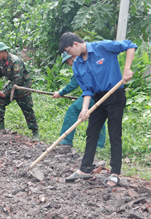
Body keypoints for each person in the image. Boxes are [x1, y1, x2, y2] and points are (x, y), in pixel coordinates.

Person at [58, 32, 136, 186]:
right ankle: (85, 169)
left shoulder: (102, 47)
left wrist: (127, 68)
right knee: (91, 132)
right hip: (97, 99)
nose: (70, 55)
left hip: (114, 95)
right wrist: (85, 109)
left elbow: (130, 45)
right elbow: (87, 90)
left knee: (115, 134)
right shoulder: (78, 65)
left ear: (75, 44)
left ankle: (115, 173)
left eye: (68, 51)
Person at [0, 42, 39, 137]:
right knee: (0, 101)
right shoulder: (1, 62)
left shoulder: (15, 61)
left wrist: (5, 92)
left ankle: (35, 131)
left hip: (22, 88)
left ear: (3, 51)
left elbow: (18, 80)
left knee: (27, 109)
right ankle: (0, 125)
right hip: (12, 86)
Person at [52, 53, 106, 149]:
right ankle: (99, 145)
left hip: (94, 94)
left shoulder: (81, 65)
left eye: (67, 61)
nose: (68, 63)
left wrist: (60, 93)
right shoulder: (89, 61)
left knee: (73, 110)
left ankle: (66, 140)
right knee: (98, 115)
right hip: (105, 92)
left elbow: (73, 84)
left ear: (72, 57)